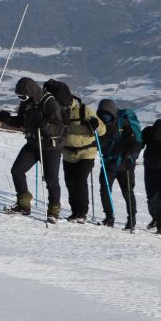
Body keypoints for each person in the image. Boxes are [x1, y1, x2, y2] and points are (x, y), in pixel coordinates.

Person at [0, 78, 65, 221]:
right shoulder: (26, 103)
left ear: (32, 92)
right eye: (19, 96)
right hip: (33, 144)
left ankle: (54, 210)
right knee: (17, 171)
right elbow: (21, 121)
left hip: (50, 147)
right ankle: (24, 204)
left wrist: (44, 125)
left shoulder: (49, 103)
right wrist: (7, 119)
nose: (22, 99)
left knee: (51, 179)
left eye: (24, 96)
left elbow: (59, 128)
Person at [45, 80, 105, 223]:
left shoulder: (84, 110)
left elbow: (102, 131)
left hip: (86, 152)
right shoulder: (57, 110)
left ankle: (82, 213)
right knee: (70, 182)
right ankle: (74, 212)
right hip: (67, 152)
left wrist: (95, 125)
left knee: (80, 180)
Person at [95, 99, 142, 230]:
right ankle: (109, 218)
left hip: (125, 164)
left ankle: (131, 220)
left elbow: (136, 142)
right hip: (109, 162)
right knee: (105, 190)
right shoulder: (100, 124)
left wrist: (129, 155)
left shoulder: (124, 123)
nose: (104, 117)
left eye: (107, 113)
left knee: (127, 192)